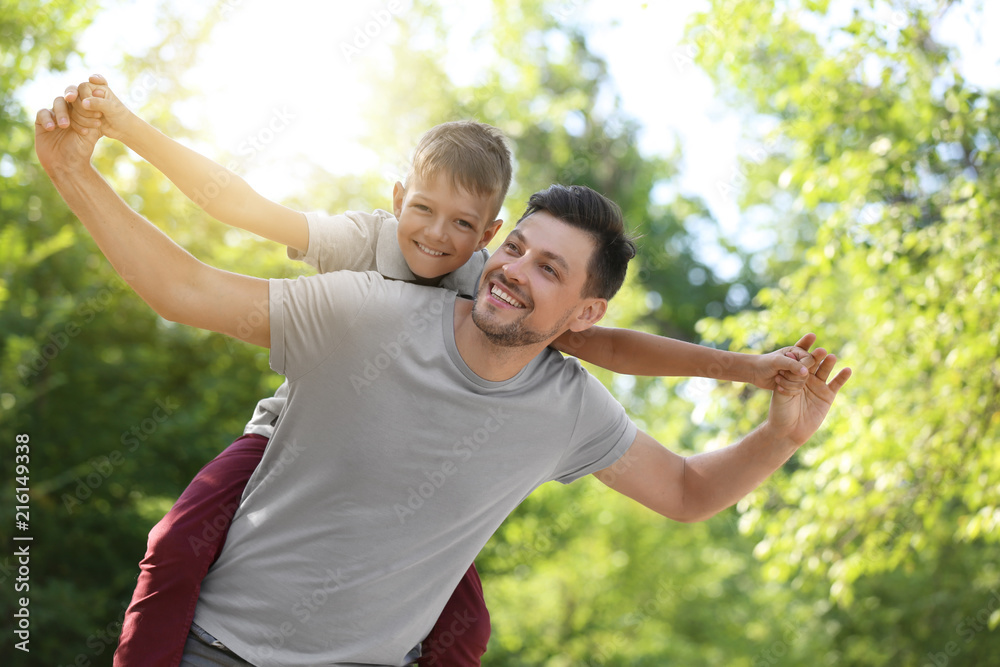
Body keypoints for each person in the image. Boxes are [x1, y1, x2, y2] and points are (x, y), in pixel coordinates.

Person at [38, 83, 850, 665]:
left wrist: (774, 422)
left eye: (547, 267)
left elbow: (685, 487)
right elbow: (193, 278)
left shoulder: (564, 401)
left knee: (466, 628)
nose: (511, 267)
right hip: (224, 644)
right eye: (518, 250)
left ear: (581, 309)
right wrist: (85, 164)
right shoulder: (365, 295)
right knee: (174, 545)